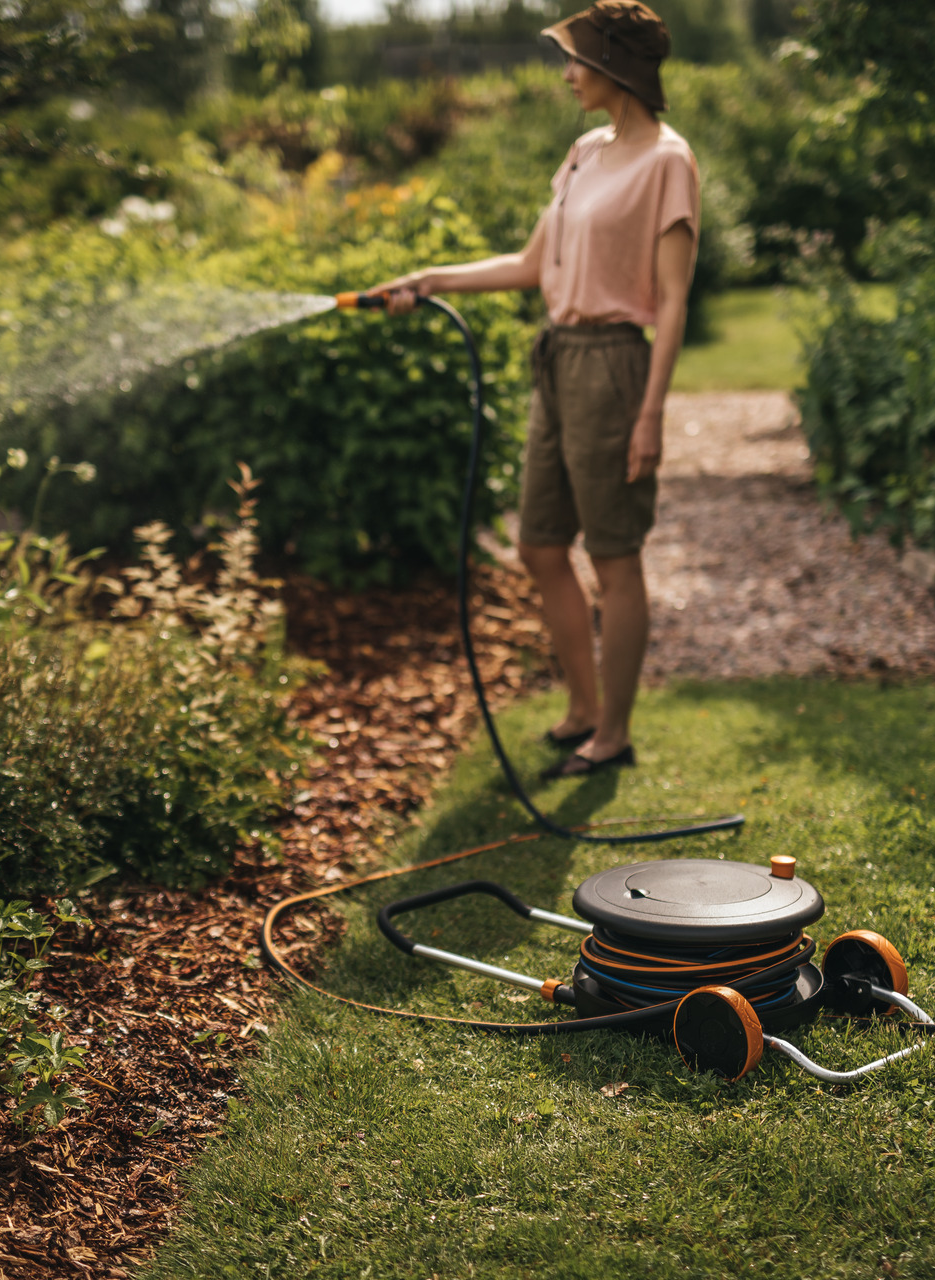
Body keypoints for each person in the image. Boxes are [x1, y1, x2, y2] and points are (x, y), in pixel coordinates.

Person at [374, 0, 698, 779]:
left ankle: (613, 733)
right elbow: (530, 263)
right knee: (540, 544)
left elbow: (674, 298)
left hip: (615, 364)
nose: (566, 74)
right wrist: (433, 277)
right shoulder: (585, 151)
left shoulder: (667, 162)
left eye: (577, 60)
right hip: (557, 358)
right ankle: (581, 708)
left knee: (615, 555)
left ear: (616, 66)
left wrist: (651, 415)